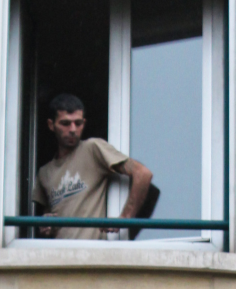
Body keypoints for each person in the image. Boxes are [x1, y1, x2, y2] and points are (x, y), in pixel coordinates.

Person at [33, 94, 153, 240]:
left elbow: (143, 174)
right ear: (51, 125)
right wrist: (46, 227)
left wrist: (125, 218)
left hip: (92, 254)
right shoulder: (45, 173)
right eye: (65, 123)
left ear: (84, 123)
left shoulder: (92, 148)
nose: (72, 129)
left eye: (78, 123)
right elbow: (48, 221)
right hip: (61, 256)